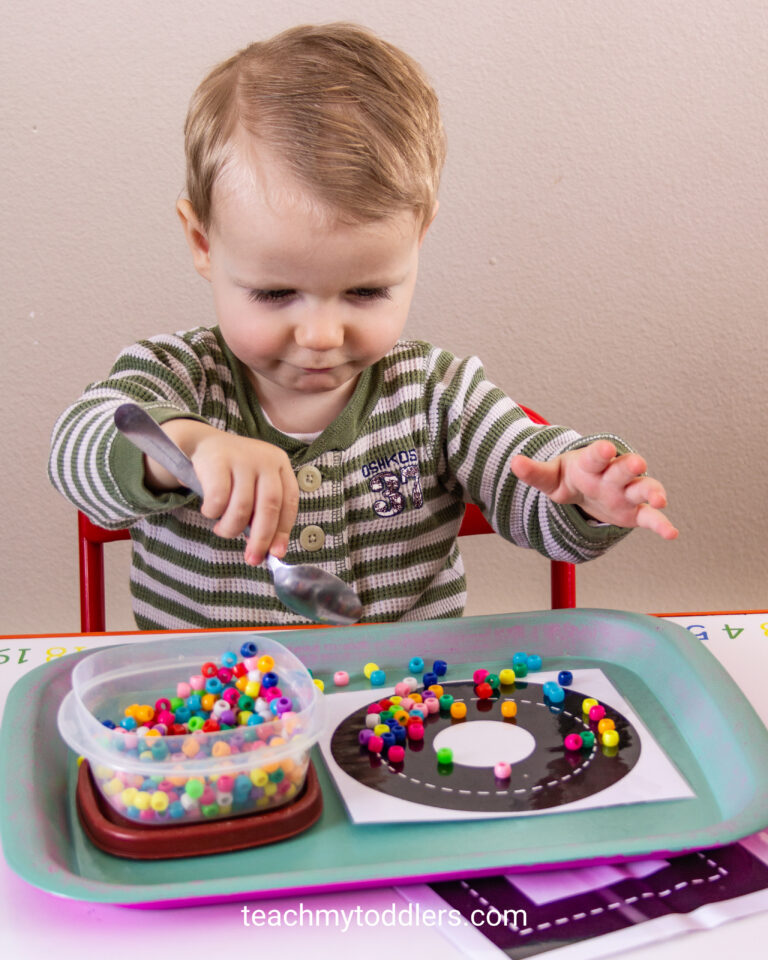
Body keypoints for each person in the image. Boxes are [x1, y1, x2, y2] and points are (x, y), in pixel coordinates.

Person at [48, 23, 677, 630]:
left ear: (419, 238)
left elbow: (534, 491)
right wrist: (185, 447)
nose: (322, 335)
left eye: (366, 291)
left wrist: (581, 491)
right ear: (201, 241)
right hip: (209, 719)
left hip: (405, 707)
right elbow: (77, 452)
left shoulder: (438, 393)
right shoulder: (175, 377)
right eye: (275, 292)